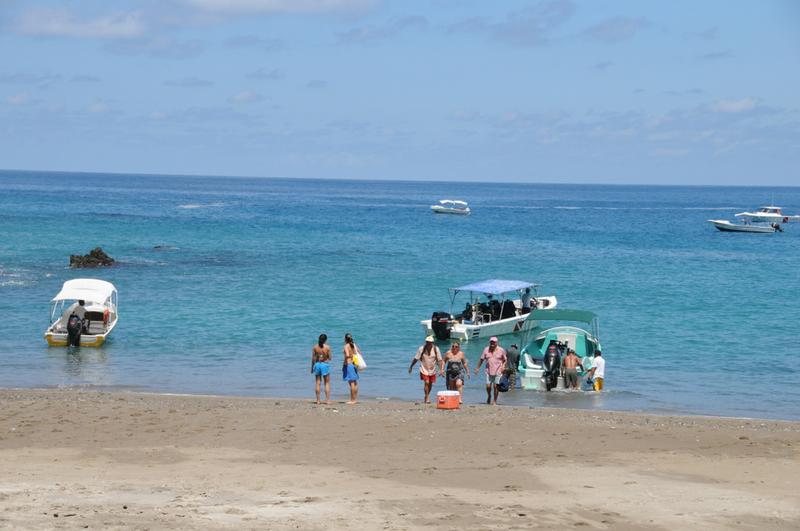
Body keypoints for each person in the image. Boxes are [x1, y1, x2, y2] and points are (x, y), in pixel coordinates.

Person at [408, 335, 444, 404]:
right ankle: (427, 397)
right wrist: (411, 366)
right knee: (426, 382)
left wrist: (441, 370)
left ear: (432, 343)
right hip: (423, 368)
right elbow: (416, 358)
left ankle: (426, 396)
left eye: (430, 342)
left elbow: (439, 360)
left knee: (430, 384)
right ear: (426, 342)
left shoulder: (436, 349)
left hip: (432, 369)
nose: (428, 343)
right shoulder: (422, 348)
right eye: (427, 342)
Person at [474, 336, 507, 405]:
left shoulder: (501, 350)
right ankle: (489, 395)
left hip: (498, 371)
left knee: (496, 386)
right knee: (488, 386)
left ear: (496, 343)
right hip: (488, 371)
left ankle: (494, 400)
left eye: (494, 342)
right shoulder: (486, 349)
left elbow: (505, 360)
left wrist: (503, 366)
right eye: (491, 342)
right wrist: (477, 368)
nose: (492, 343)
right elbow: (481, 359)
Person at [311, 333, 332, 405]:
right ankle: (327, 400)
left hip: (317, 365)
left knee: (318, 383)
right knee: (326, 383)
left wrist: (312, 368)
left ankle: (318, 400)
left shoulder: (315, 347)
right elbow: (330, 358)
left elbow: (313, 358)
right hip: (324, 364)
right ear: (325, 340)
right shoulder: (327, 347)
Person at [342, 333, 360, 404]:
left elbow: (347, 355)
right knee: (355, 383)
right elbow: (359, 353)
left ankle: (352, 400)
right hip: (354, 365)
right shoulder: (354, 345)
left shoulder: (346, 346)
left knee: (351, 383)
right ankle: (355, 399)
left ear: (345, 339)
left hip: (349, 365)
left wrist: (344, 363)